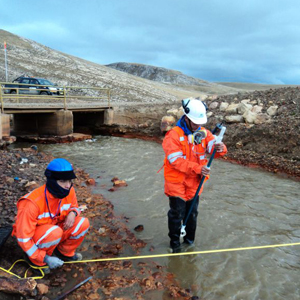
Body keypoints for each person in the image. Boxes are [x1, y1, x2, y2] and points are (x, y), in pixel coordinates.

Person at [162, 97, 227, 252]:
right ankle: (175, 246)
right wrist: (198, 169)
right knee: (177, 214)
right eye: (195, 122)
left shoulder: (203, 133)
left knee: (192, 215)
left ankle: (190, 243)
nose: (198, 125)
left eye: (200, 123)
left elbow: (213, 149)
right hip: (176, 182)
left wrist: (220, 148)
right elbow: (175, 161)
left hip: (194, 183)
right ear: (186, 117)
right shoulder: (173, 136)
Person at [12, 158, 90, 272]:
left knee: (83, 223)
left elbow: (74, 206)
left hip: (54, 230)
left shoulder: (69, 191)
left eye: (69, 181)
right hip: (35, 237)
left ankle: (63, 252)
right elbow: (23, 239)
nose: (68, 185)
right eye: (63, 181)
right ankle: (36, 261)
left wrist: (73, 213)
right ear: (52, 180)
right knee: (54, 232)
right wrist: (45, 258)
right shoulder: (31, 203)